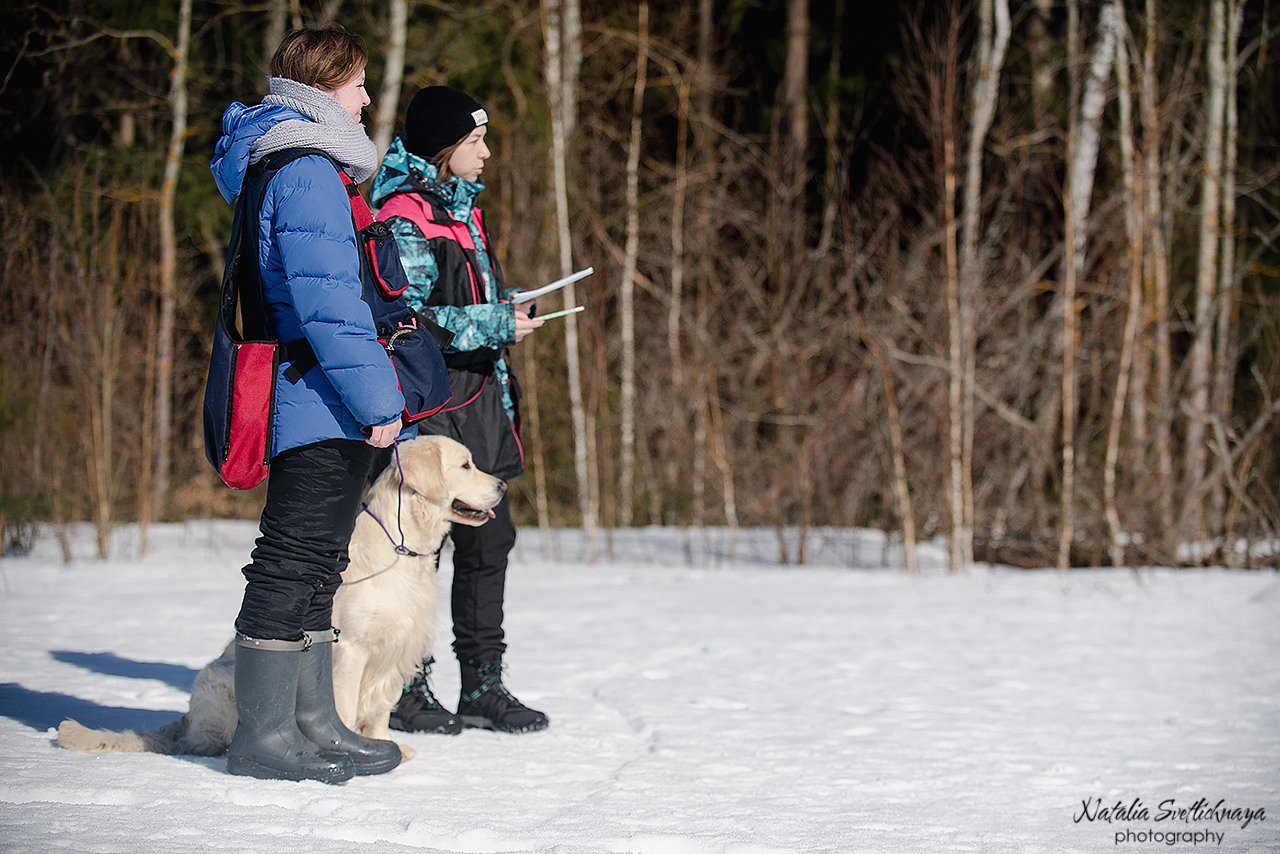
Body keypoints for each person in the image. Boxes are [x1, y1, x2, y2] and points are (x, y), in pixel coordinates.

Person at [209, 26, 406, 782]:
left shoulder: (292, 164)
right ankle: (263, 736)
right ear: (323, 89)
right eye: (357, 84)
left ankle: (314, 723)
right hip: (317, 395)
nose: (366, 98)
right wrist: (378, 399)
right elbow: (329, 307)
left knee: (321, 563)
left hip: (317, 391)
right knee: (291, 561)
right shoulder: (307, 171)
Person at [370, 85, 549, 735]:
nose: (487, 152)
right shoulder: (403, 213)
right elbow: (409, 320)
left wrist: (508, 307)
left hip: (480, 401)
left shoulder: (467, 209)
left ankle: (482, 686)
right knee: (423, 544)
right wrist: (492, 321)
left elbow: (465, 300)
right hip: (430, 405)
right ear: (445, 146)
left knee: (489, 540)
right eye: (476, 141)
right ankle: (405, 685)